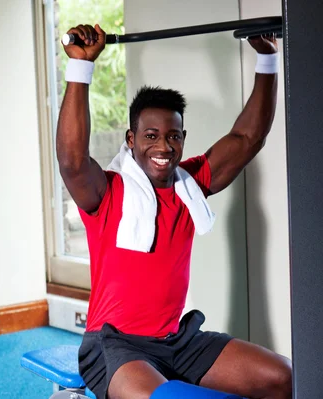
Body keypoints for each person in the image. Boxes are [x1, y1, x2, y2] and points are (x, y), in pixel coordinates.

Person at [57, 24, 291, 399]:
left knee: (282, 376)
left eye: (173, 136)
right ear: (131, 140)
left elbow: (249, 138)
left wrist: (267, 58)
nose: (163, 145)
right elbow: (71, 161)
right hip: (115, 346)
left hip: (178, 341)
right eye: (150, 136)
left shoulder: (190, 186)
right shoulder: (108, 191)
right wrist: (81, 69)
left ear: (182, 139)